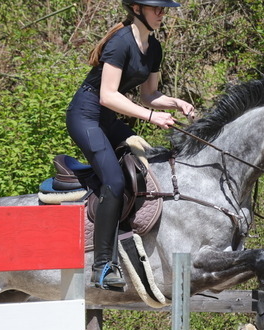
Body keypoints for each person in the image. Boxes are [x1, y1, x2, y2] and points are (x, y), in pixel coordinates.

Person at [66, 0, 196, 290]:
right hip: (86, 117)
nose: (163, 14)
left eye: (164, 9)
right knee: (113, 181)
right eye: (157, 9)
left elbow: (150, 95)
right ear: (137, 9)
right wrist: (151, 117)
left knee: (144, 165)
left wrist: (176, 103)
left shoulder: (155, 48)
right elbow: (108, 96)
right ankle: (102, 266)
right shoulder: (121, 42)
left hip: (107, 119)